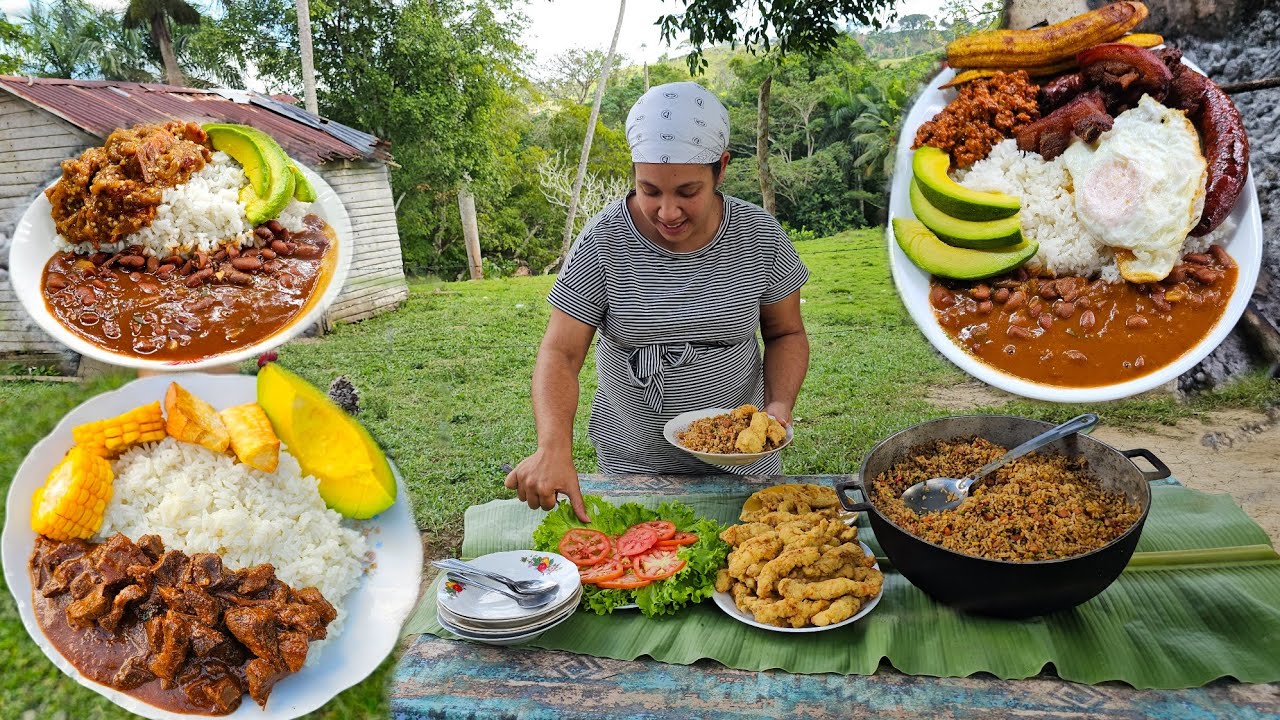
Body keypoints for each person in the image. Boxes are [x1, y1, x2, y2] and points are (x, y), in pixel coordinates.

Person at [505, 81, 810, 522]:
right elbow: (561, 352)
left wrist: (779, 405)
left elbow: (786, 332)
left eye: (687, 192)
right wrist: (553, 447)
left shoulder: (758, 236)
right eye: (650, 191)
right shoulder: (604, 241)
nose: (668, 212)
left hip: (743, 468)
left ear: (721, 168)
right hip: (633, 469)